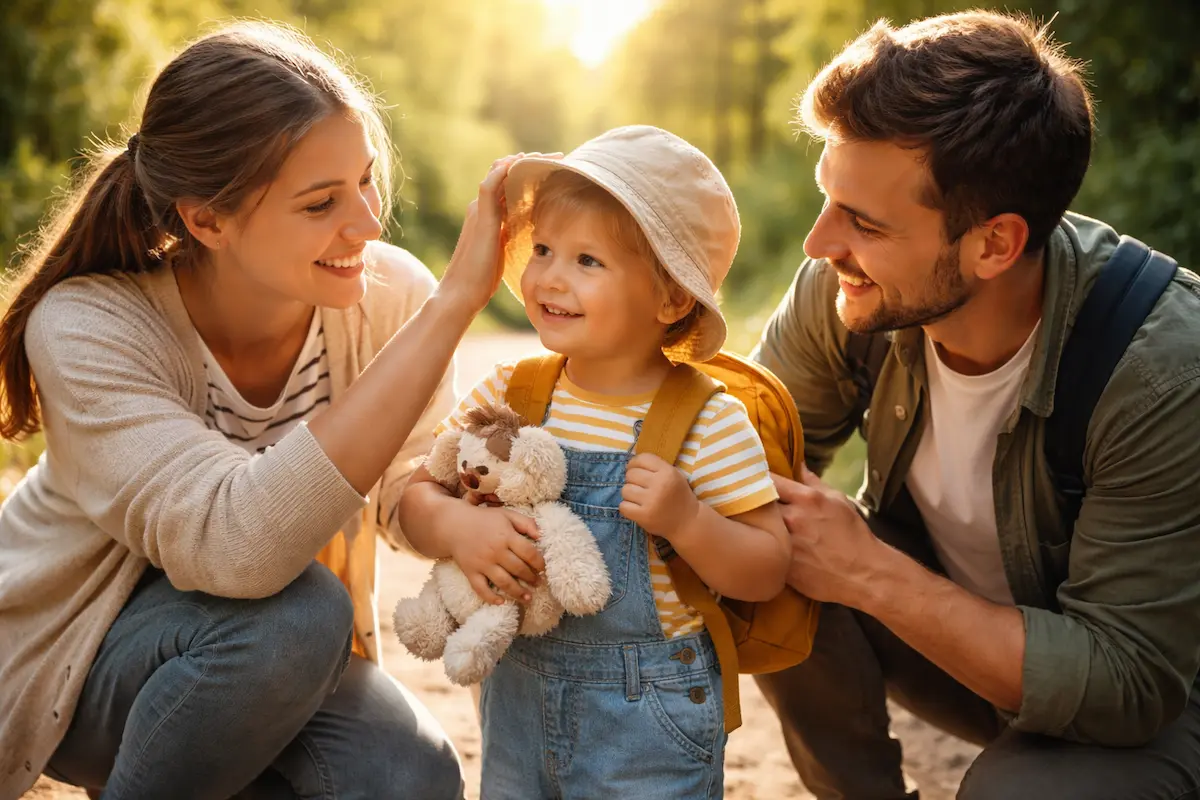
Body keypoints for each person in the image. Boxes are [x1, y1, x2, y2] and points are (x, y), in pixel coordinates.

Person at [0, 21, 526, 800]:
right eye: (321, 204)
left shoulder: (390, 300)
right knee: (298, 614)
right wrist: (454, 306)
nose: (367, 223)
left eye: (365, 181)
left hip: (260, 666)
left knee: (408, 776)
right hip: (78, 659)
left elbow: (399, 485)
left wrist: (455, 520)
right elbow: (236, 550)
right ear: (205, 220)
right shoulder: (88, 326)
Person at [749, 10, 1200, 799]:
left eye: (862, 220)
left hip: (1157, 706)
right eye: (829, 199)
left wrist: (868, 573)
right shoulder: (852, 289)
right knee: (764, 540)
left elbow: (1129, 684)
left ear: (993, 244)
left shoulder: (1163, 369)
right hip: (974, 658)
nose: (817, 244)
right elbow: (723, 451)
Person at [397, 125, 792, 798]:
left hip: (648, 716)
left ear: (670, 297)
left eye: (587, 261)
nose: (550, 275)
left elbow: (768, 568)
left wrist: (689, 520)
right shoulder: (513, 393)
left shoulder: (705, 418)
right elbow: (413, 496)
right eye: (544, 249)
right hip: (518, 695)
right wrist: (456, 528)